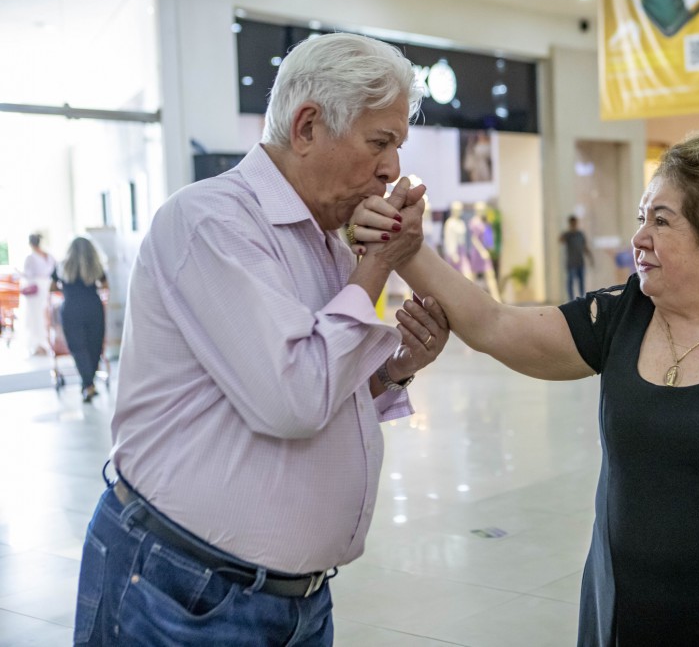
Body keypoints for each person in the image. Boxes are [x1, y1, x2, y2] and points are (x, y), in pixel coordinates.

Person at [364, 131, 699, 645]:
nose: (639, 237)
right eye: (641, 218)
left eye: (662, 221)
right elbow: (495, 325)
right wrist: (404, 248)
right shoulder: (624, 315)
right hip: (625, 616)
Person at [72, 32, 451, 646]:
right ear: (306, 127)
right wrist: (377, 266)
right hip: (185, 591)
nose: (392, 169)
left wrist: (393, 369)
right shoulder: (211, 223)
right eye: (379, 142)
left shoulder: (326, 240)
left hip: (293, 599)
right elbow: (293, 398)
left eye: (397, 146)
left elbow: (320, 388)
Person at [53, 236, 106, 402]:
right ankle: (89, 384)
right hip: (93, 307)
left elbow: (52, 287)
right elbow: (105, 285)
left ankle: (87, 384)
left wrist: (67, 287)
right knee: (94, 346)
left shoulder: (62, 266)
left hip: (71, 309)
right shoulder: (95, 266)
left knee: (78, 347)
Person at [20, 232, 57, 356]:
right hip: (45, 288)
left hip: (38, 290)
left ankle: (41, 344)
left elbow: (28, 274)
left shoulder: (31, 258)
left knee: (37, 317)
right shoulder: (48, 256)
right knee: (42, 317)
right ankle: (41, 344)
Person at [559, 215, 594, 300]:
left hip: (580, 262)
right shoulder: (568, 234)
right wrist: (569, 231)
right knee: (570, 282)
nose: (574, 224)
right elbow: (560, 240)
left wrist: (590, 257)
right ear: (570, 223)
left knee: (581, 282)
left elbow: (584, 247)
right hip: (571, 263)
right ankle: (570, 300)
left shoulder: (580, 234)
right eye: (572, 223)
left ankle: (582, 300)